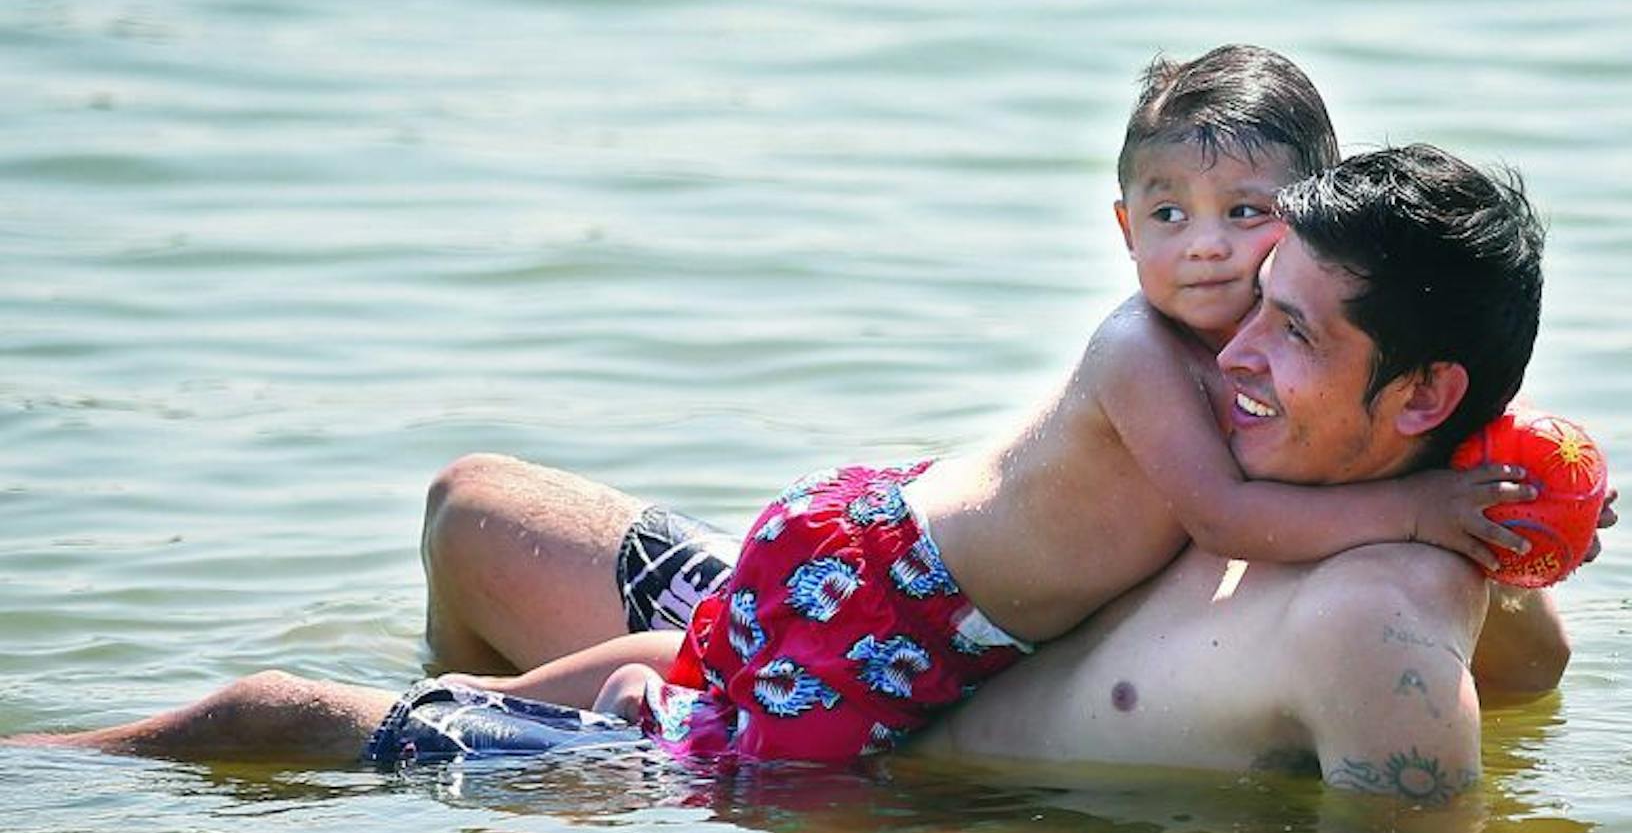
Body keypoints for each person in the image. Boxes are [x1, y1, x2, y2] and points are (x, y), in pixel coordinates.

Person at [14, 140, 1586, 816]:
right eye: (1253, 293)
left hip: (815, 739)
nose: (1235, 343)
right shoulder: (1245, 434)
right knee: (469, 505)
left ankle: (49, 777)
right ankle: (481, 753)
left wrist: (1470, 520)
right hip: (842, 598)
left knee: (259, 723)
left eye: (1293, 331)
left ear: (1426, 399)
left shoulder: (1375, 606)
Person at [394, 47, 1537, 767]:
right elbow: (1235, 516)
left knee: (725, 657)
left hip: (897, 568)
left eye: (1246, 214)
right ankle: (516, 699)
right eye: (1170, 214)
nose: (1209, 249)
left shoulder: (1248, 358)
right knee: (776, 768)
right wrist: (1426, 510)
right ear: (1123, 226)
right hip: (907, 592)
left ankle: (575, 683)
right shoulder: (1144, 352)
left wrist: (1522, 501)